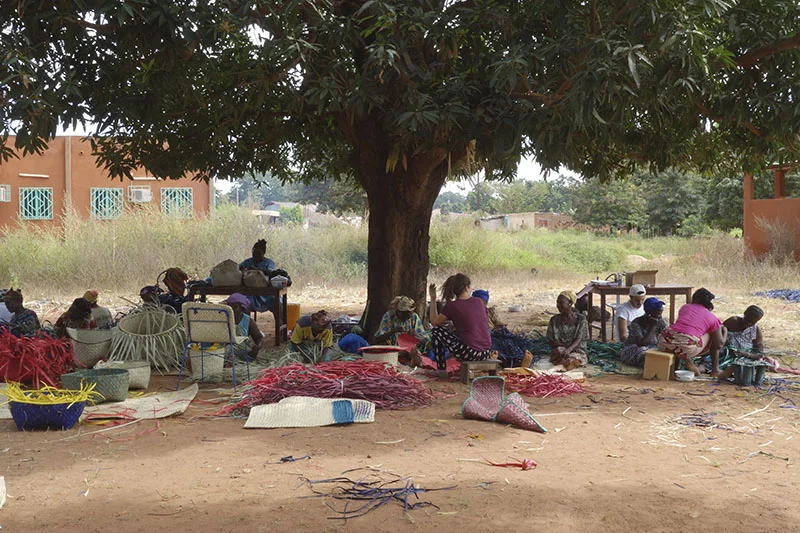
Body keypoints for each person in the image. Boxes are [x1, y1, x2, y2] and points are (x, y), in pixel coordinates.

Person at [427, 273, 495, 370]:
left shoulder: (452, 306)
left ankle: (441, 369)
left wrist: (433, 299)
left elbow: (434, 322)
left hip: (470, 353)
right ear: (467, 287)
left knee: (436, 331)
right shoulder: (479, 302)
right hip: (486, 352)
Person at [658, 288, 726, 376]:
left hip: (663, 342)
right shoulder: (713, 318)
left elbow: (682, 330)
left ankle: (678, 366)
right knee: (711, 333)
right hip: (686, 347)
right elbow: (719, 344)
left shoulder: (685, 307)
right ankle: (715, 370)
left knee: (679, 334)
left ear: (694, 299)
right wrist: (725, 331)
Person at [545, 291, 589, 370]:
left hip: (576, 349)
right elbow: (550, 339)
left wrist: (569, 349)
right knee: (559, 352)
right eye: (557, 303)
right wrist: (563, 347)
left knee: (575, 357)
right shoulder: (554, 320)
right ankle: (566, 363)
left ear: (570, 304)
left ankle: (567, 362)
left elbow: (579, 338)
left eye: (561, 303)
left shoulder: (581, 319)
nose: (558, 306)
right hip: (561, 349)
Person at [619, 297, 668, 367]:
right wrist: (652, 327)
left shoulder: (660, 321)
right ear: (648, 314)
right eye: (658, 314)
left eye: (660, 313)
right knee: (644, 353)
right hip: (634, 349)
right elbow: (642, 343)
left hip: (653, 348)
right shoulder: (636, 324)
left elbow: (667, 336)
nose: (660, 316)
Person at [223, 293, 264, 360]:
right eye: (230, 307)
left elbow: (259, 338)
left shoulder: (248, 321)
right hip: (225, 352)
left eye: (235, 307)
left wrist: (257, 347)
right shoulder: (223, 319)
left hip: (243, 353)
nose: (232, 310)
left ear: (242, 308)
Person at [239, 239, 276, 313]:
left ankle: (280, 324)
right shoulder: (247, 262)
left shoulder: (268, 263)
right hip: (250, 293)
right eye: (254, 253)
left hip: (266, 294)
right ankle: (247, 323)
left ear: (263, 253)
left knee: (277, 303)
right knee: (243, 304)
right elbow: (238, 269)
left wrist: (258, 270)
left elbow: (271, 273)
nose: (255, 255)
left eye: (258, 253)